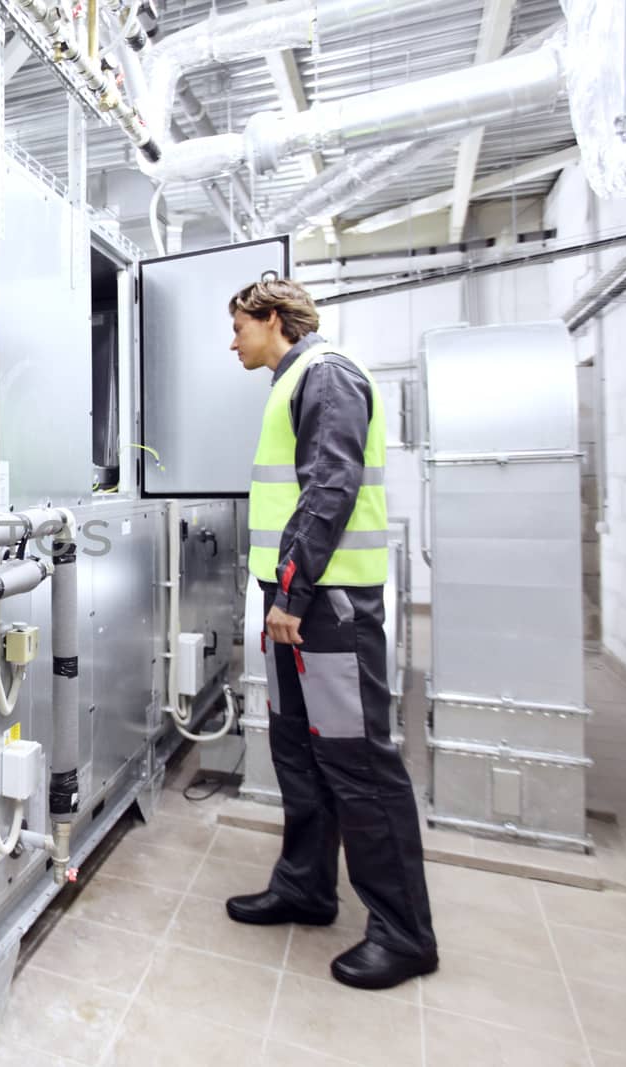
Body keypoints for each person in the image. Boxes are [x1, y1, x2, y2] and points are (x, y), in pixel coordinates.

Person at [224, 278, 438, 990]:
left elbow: (331, 488)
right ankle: (306, 885)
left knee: (357, 761)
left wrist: (291, 589)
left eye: (240, 327)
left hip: (325, 605)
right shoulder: (292, 383)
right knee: (297, 749)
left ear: (274, 319)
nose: (234, 341)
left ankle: (404, 932)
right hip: (294, 605)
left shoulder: (328, 374)